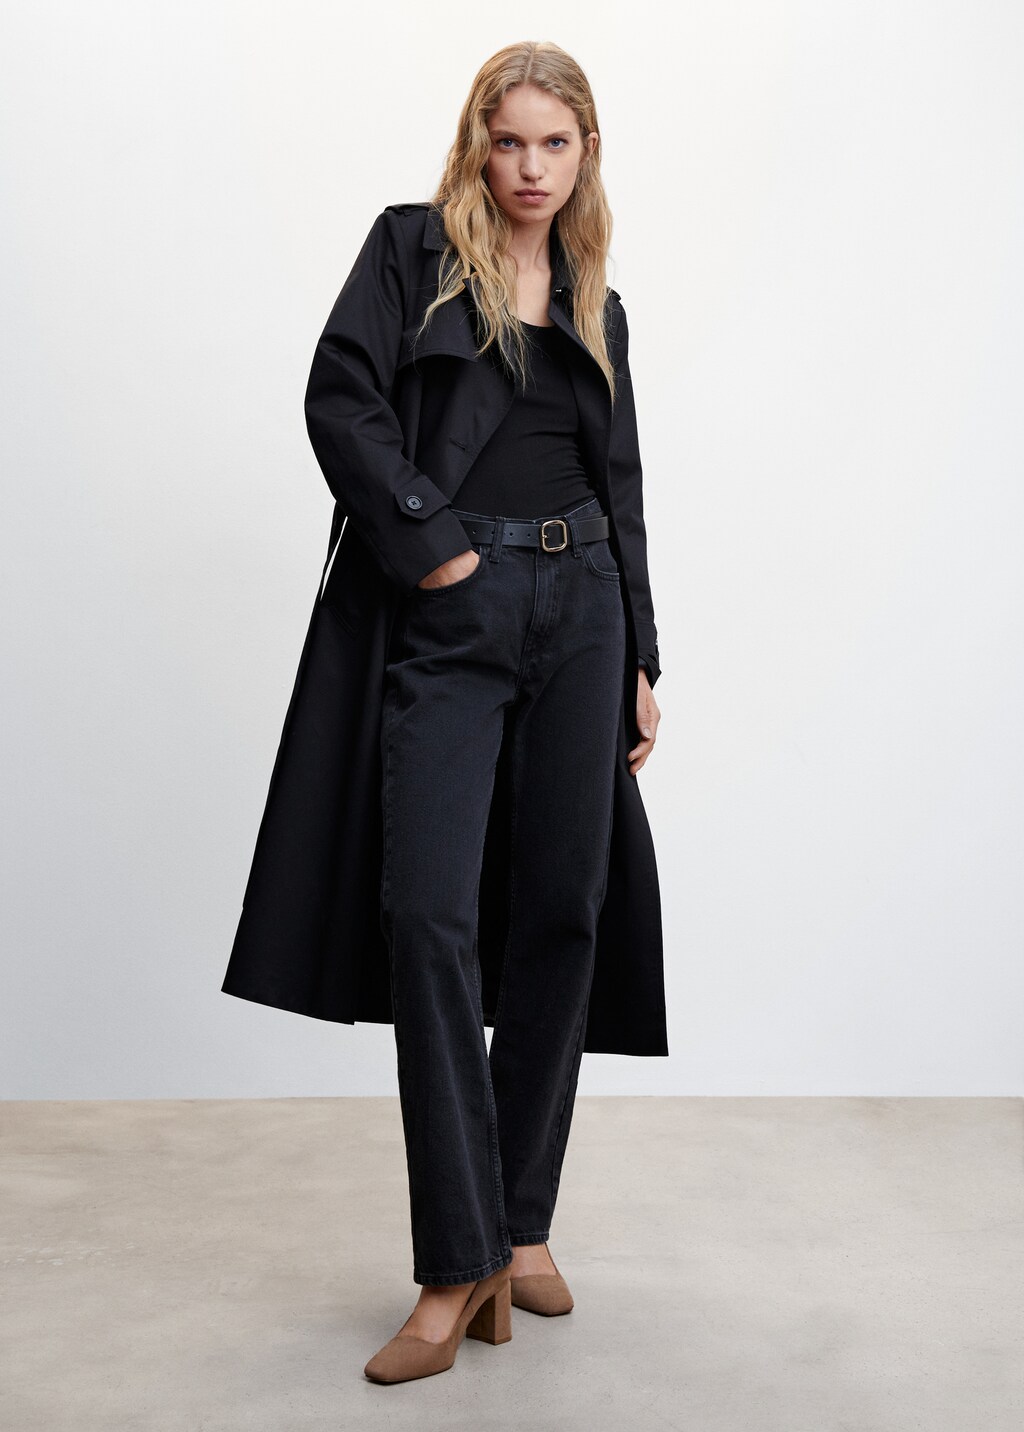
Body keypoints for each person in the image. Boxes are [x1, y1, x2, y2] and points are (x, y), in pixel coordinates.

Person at [225, 39, 665, 1385]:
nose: (531, 168)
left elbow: (623, 479)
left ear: (587, 153)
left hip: (583, 606)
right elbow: (339, 399)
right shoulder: (409, 251)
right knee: (427, 914)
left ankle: (521, 1228)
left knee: (563, 910)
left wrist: (643, 651)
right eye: (509, 140)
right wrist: (433, 542)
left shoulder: (596, 297)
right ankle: (454, 1258)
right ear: (479, 142)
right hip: (456, 605)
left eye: (555, 144)